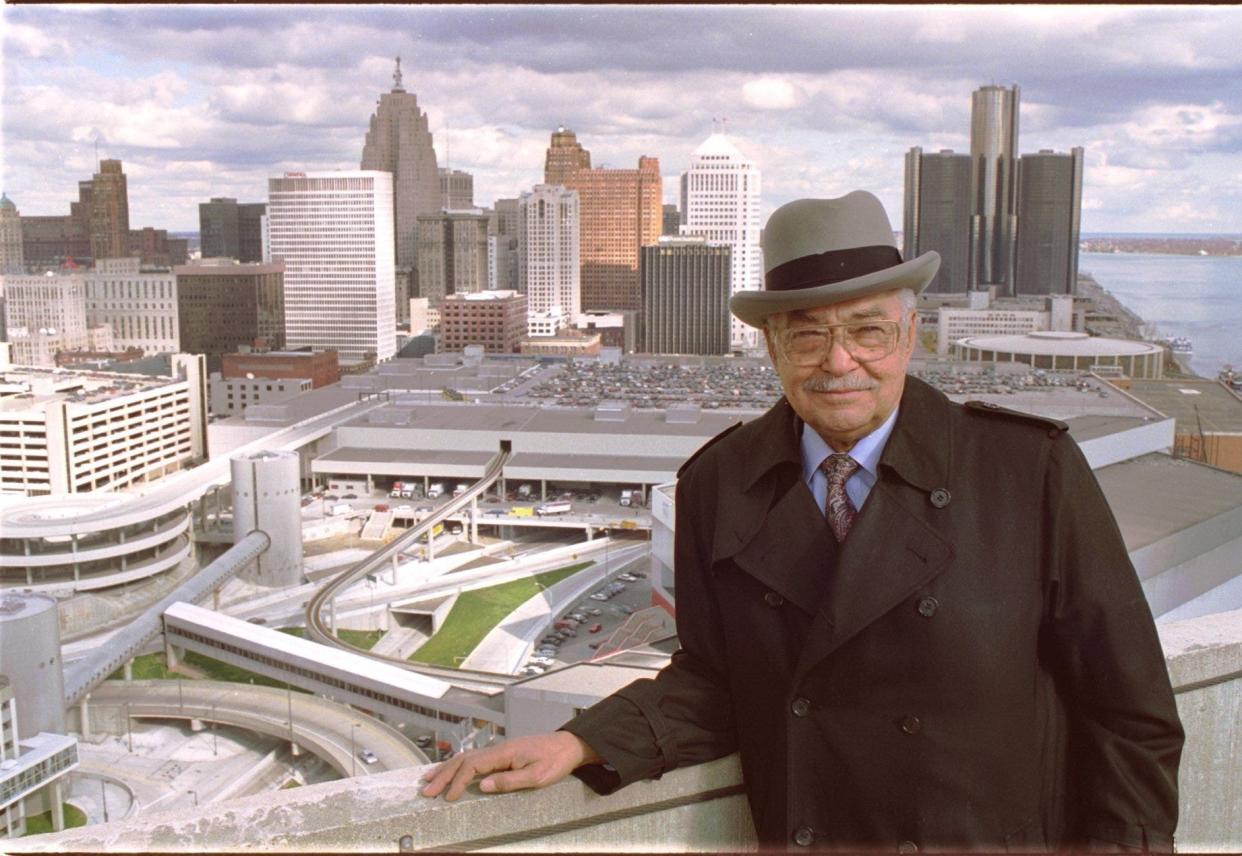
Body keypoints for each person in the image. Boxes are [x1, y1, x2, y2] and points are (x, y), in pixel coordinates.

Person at [422, 191, 1184, 852]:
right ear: (772, 348)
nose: (839, 361)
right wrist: (582, 739)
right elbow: (720, 680)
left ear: (911, 335)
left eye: (867, 331)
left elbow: (1129, 712)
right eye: (808, 334)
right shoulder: (719, 484)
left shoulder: (1028, 473)